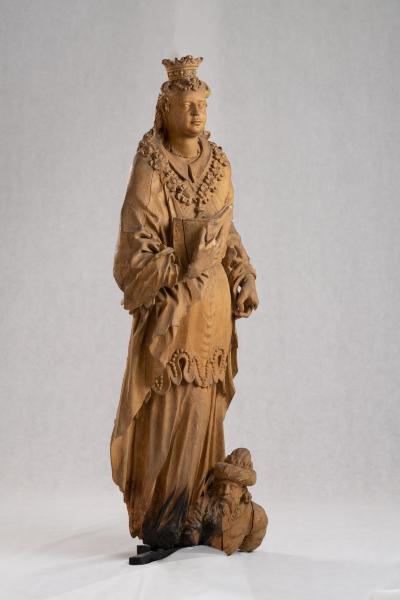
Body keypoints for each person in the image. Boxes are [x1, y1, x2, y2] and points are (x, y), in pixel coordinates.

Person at [111, 56, 259, 550]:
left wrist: (244, 275)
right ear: (165, 109)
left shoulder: (219, 162)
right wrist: (184, 264)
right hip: (171, 310)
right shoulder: (150, 162)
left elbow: (227, 229)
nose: (196, 113)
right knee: (167, 406)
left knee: (203, 405)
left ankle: (195, 509)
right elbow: (134, 247)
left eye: (202, 105)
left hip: (213, 309)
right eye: (186, 105)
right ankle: (161, 514)